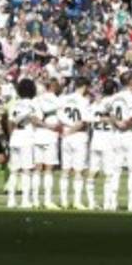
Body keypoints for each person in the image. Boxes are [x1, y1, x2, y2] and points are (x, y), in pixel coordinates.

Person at [111, 76, 132, 212]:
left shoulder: (115, 97)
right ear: (131, 82)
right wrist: (125, 124)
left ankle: (113, 202)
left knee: (116, 170)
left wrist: (117, 123)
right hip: (130, 135)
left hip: (116, 135)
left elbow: (110, 113)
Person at [5, 78, 39, 209]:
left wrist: (10, 137)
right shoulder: (33, 104)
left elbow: (10, 122)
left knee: (14, 171)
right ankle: (25, 200)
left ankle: (11, 200)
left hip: (15, 137)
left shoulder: (15, 104)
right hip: (27, 137)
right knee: (26, 171)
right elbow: (36, 121)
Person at [87, 82, 122, 211]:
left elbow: (88, 119)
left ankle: (91, 203)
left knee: (93, 171)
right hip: (109, 140)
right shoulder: (114, 102)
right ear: (114, 90)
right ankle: (108, 203)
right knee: (109, 173)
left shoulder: (94, 105)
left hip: (95, 139)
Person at [58, 79, 92, 210]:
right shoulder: (84, 101)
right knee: (78, 171)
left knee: (65, 170)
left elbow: (60, 117)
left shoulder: (64, 99)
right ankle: (77, 201)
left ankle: (64, 201)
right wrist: (72, 131)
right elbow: (84, 121)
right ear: (84, 87)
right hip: (78, 135)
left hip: (66, 134)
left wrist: (66, 131)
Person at [33, 80, 63, 209]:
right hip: (50, 136)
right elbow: (62, 119)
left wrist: (44, 125)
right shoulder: (58, 101)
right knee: (49, 169)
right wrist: (50, 126)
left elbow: (34, 119)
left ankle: (34, 200)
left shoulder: (37, 99)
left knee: (37, 168)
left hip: (38, 136)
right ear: (54, 87)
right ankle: (47, 200)